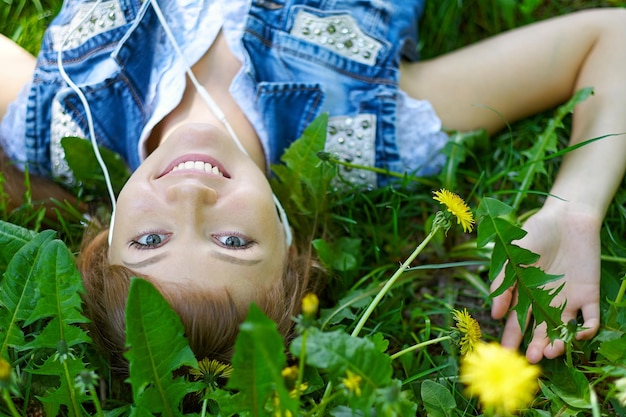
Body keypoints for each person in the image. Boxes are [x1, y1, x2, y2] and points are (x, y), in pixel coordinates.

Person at [0, 0, 624, 373]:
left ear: (104, 236)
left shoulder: (61, 120)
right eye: (234, 241)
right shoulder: (367, 129)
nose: (191, 198)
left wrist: (51, 196)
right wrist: (574, 211)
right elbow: (611, 39)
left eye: (152, 239)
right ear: (291, 245)